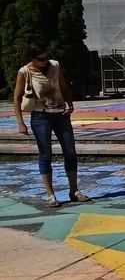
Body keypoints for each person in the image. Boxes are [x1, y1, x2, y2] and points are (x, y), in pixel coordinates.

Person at [13, 42, 91, 208]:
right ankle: (50, 195)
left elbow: (63, 86)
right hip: (41, 117)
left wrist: (70, 104)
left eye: (46, 57)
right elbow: (17, 98)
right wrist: (20, 122)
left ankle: (74, 190)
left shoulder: (55, 65)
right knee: (45, 154)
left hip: (61, 114)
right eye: (40, 59)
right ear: (32, 59)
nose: (45, 61)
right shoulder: (24, 72)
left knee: (70, 152)